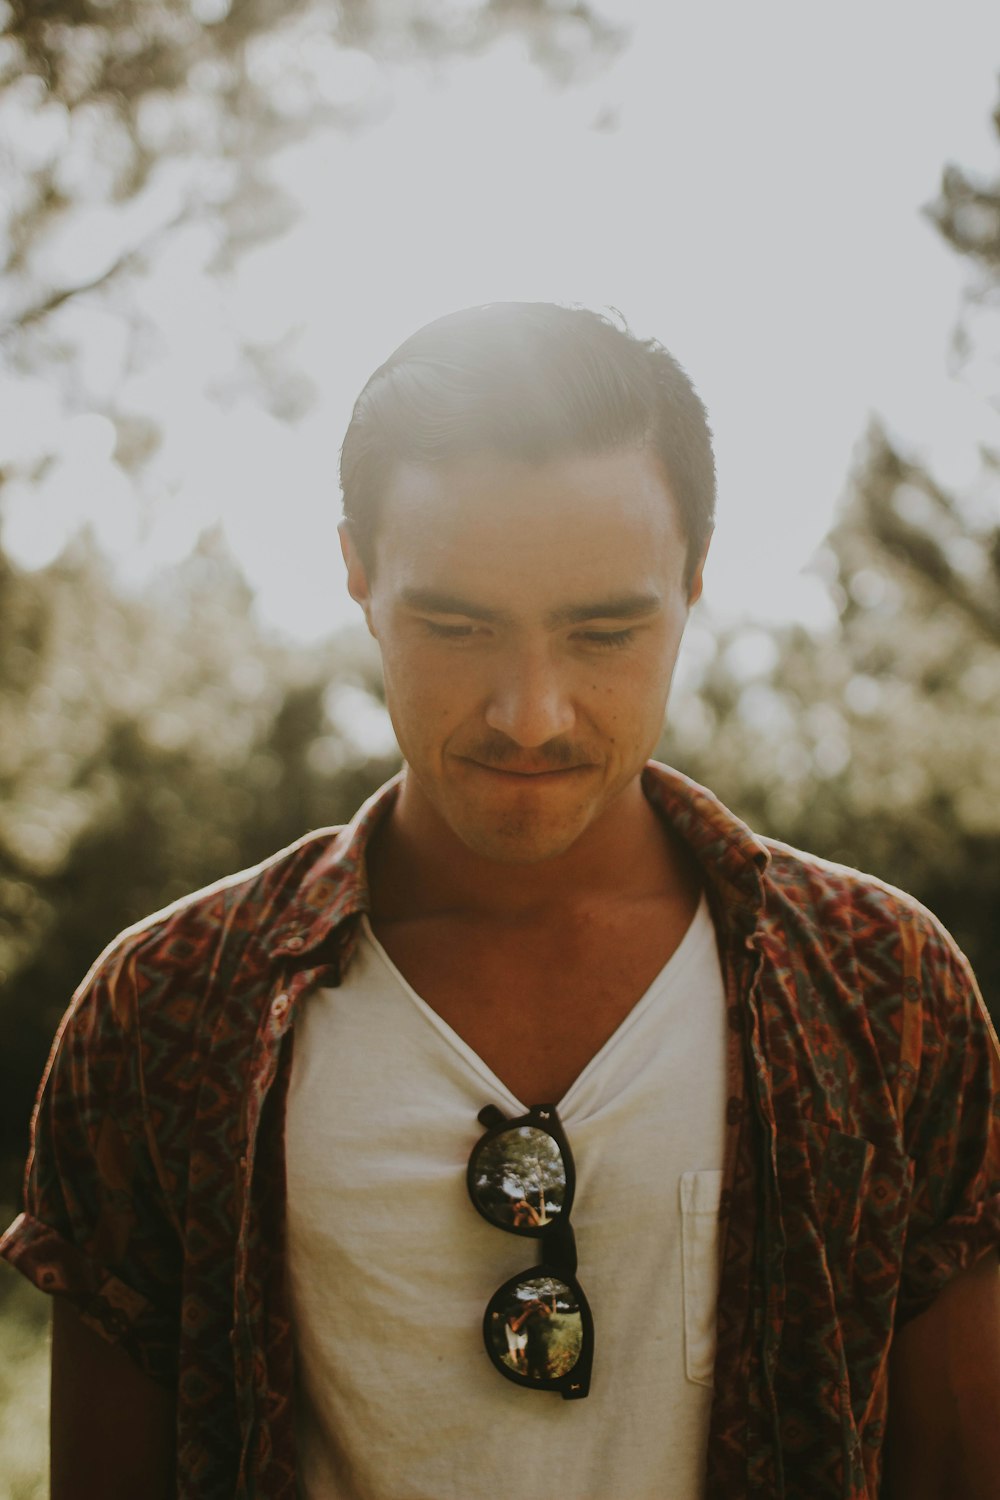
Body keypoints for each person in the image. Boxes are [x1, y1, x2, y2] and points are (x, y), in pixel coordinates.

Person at [2, 301, 999, 1500]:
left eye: (604, 631)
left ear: (695, 580)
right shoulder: (166, 1010)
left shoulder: (884, 988)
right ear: (357, 575)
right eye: (456, 625)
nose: (531, 715)